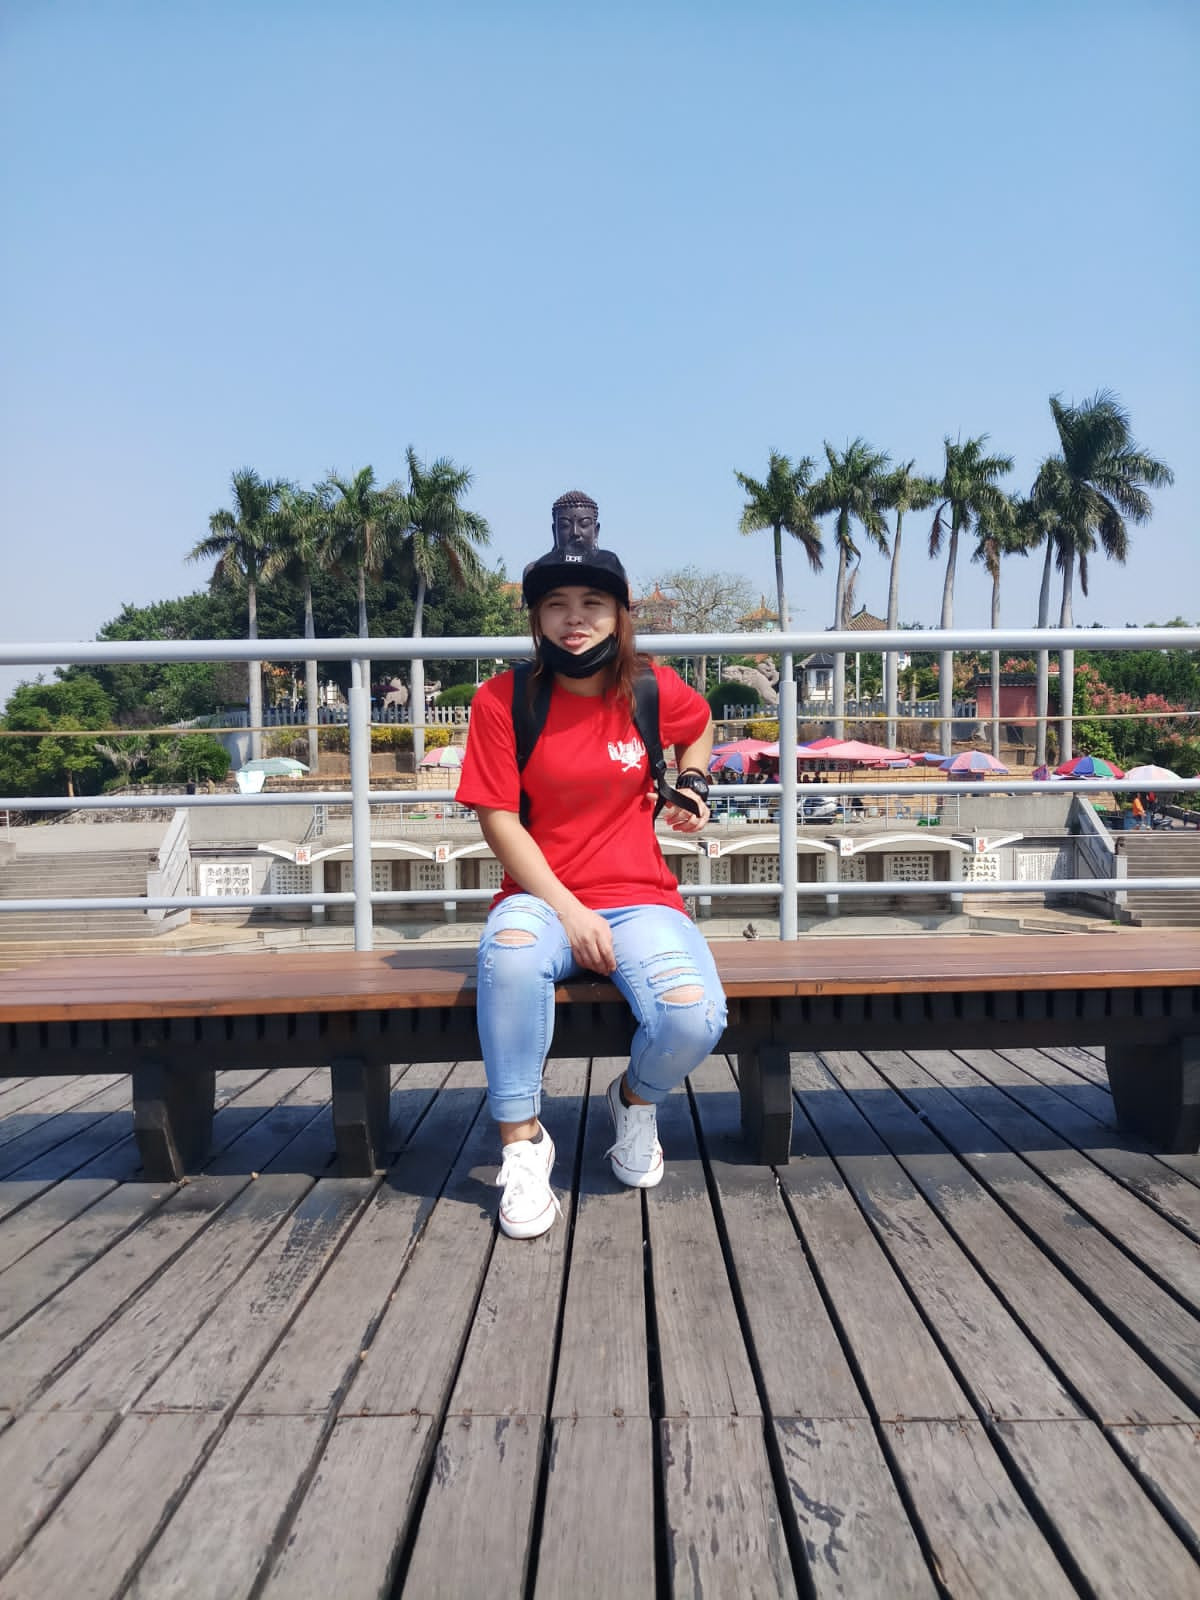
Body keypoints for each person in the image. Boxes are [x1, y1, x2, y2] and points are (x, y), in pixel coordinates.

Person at [456, 490, 727, 1239]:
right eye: (556, 605)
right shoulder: (504, 700)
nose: (574, 619)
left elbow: (700, 723)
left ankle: (634, 1102)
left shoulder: (648, 688)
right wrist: (569, 911)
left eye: (592, 604)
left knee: (693, 1016)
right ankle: (522, 1144)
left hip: (640, 897)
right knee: (510, 958)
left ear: (620, 614)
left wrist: (692, 782)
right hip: (540, 897)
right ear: (536, 619)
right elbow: (498, 819)